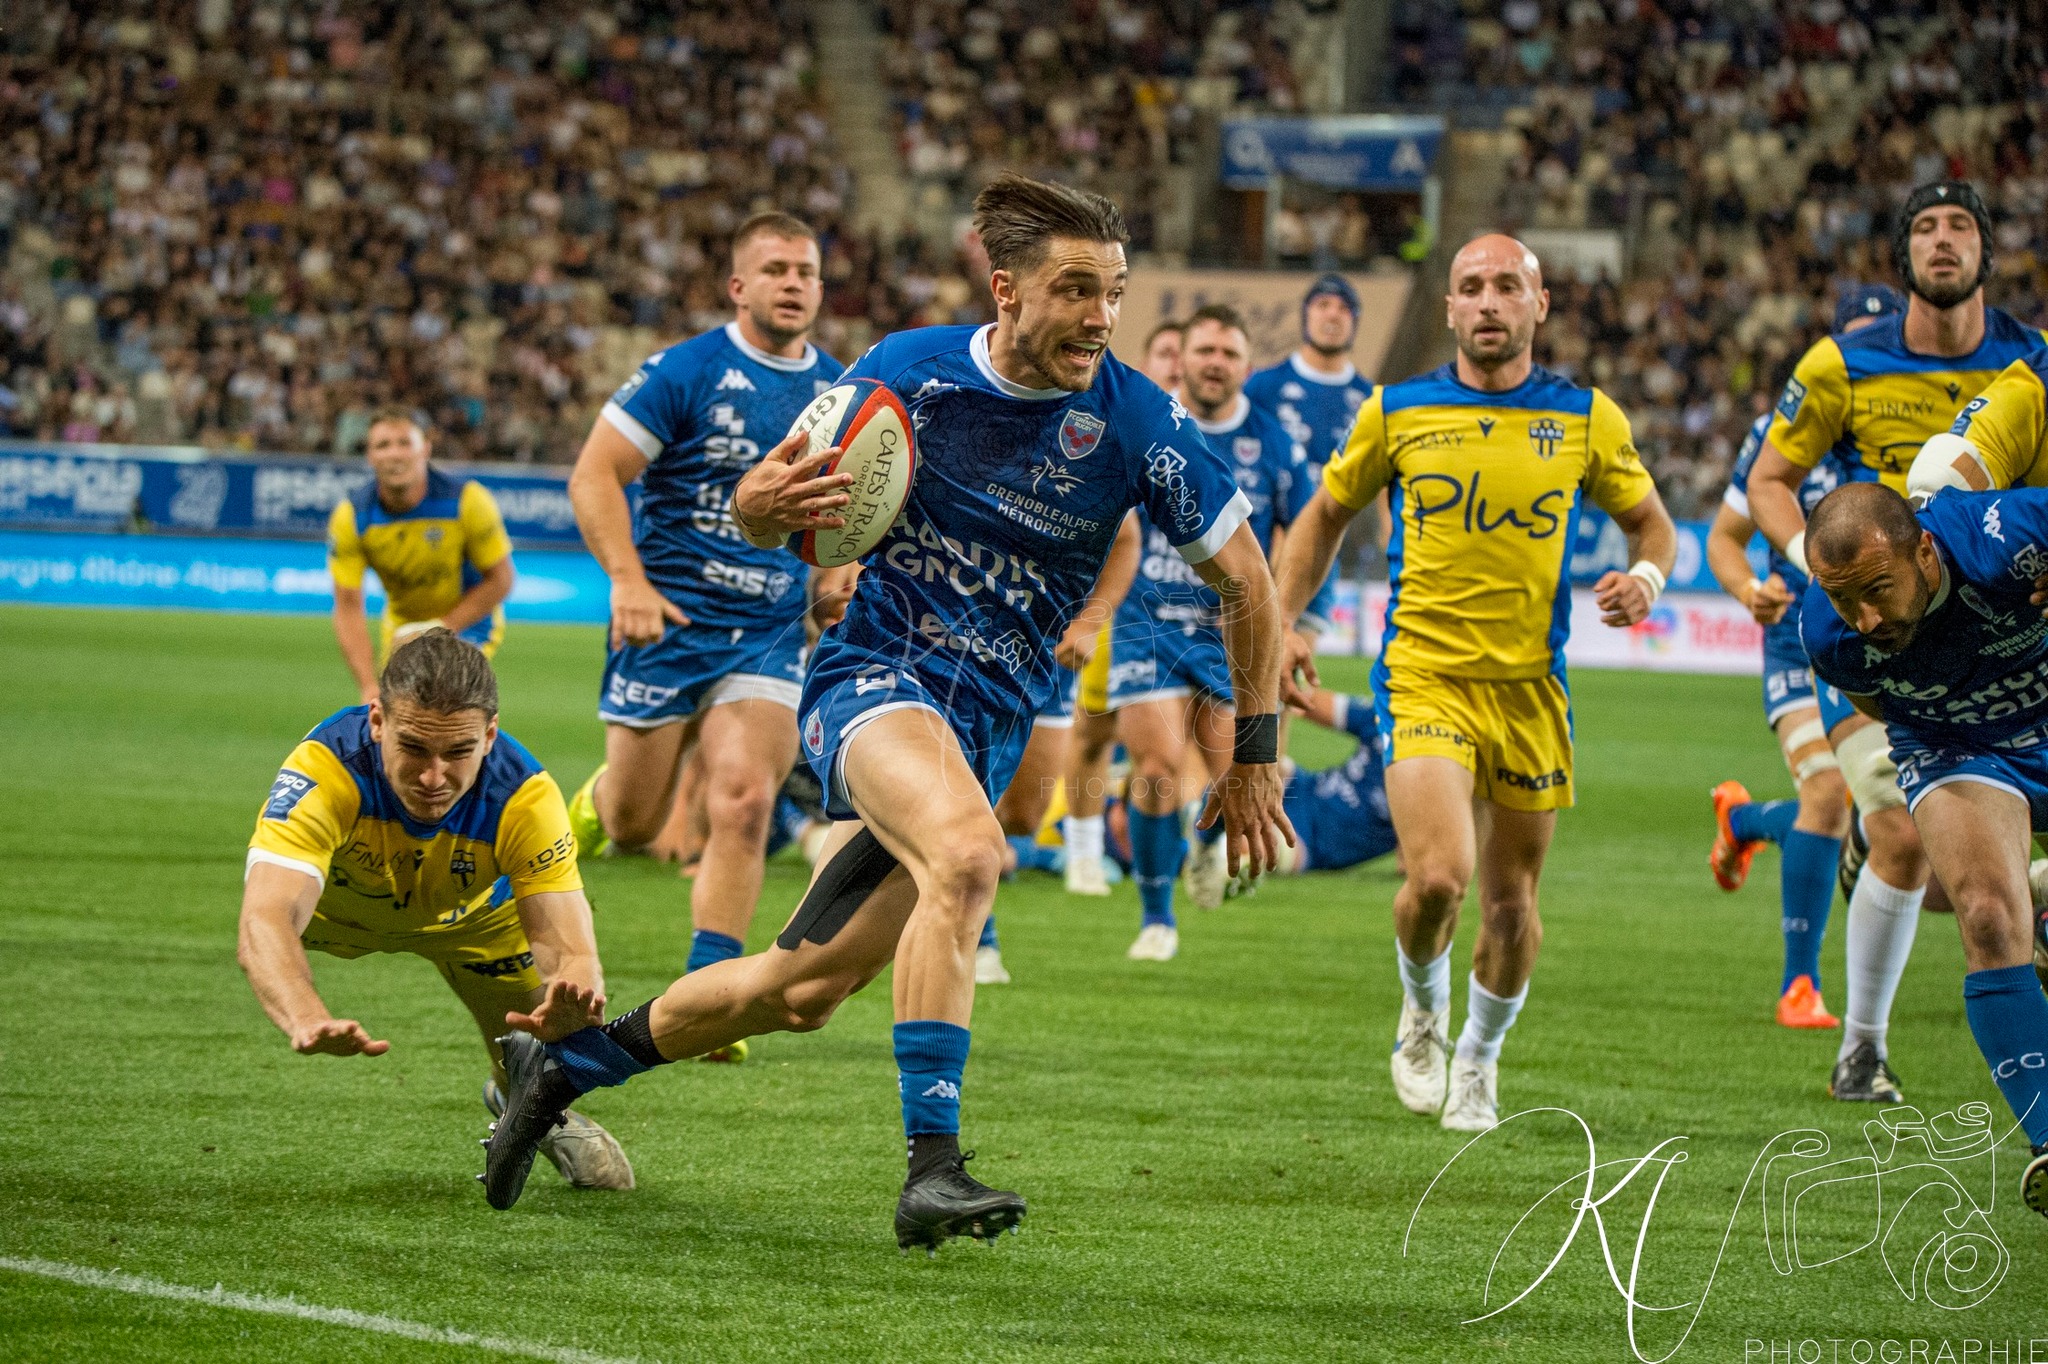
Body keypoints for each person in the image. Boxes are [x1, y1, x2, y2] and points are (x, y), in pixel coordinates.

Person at [479, 174, 1293, 1251]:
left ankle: (562, 1067)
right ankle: (932, 1168)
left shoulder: (1137, 419)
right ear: (1005, 290)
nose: (1101, 315)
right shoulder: (905, 374)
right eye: (1075, 289)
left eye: (1115, 291)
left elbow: (1251, 583)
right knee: (967, 856)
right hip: (874, 684)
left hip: (986, 726)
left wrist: (1252, 750)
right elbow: (769, 506)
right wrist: (760, 508)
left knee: (800, 987)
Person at [1272, 233, 1677, 1133]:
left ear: (1538, 306)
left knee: (1510, 904)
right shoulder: (1397, 411)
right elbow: (1323, 517)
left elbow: (1653, 526)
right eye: (1470, 288)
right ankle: (1422, 1009)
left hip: (1532, 690)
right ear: (1450, 310)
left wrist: (1645, 582)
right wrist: (1291, 621)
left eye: (1506, 286)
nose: (1488, 301)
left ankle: (1479, 1062)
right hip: (1423, 677)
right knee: (1442, 880)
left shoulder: (1585, 419)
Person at [1745, 181, 2048, 1104]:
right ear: (1903, 253)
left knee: (1962, 874)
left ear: (1988, 253)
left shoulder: (2028, 363)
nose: (1943, 242)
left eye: (1961, 227)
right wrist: (1825, 582)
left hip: (2001, 611)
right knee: (1894, 829)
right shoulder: (1841, 363)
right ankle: (1862, 1048)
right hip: (1883, 623)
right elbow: (1768, 479)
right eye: (1925, 227)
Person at [564, 212, 849, 1063]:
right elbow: (595, 475)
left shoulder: (841, 394)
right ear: (740, 287)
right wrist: (628, 581)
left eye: (806, 269)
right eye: (775, 269)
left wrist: (840, 574)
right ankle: (589, 808)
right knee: (636, 820)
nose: (793, 282)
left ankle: (708, 994)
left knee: (745, 800)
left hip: (764, 631)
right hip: (668, 621)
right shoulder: (685, 370)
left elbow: (863, 512)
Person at [236, 629, 632, 1193]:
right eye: (414, 748)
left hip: (476, 922)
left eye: (459, 752)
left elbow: (570, 947)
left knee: (529, 1057)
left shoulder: (525, 795)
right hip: (339, 918)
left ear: (490, 735)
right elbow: (264, 919)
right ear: (377, 722)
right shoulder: (326, 769)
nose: (433, 777)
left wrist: (576, 998)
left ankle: (530, 1101)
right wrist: (303, 1013)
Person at [1800, 482, 2048, 1217]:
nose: (1866, 619)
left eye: (1878, 589)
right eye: (1847, 601)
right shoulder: (1831, 636)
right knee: (1987, 915)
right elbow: (1882, 706)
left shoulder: (2007, 537)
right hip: (1957, 741)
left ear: (1926, 552)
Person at [1702, 286, 1897, 1029]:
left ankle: (1745, 822)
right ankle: (1800, 986)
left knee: (1889, 814)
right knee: (1828, 796)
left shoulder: (1909, 439)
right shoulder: (1776, 437)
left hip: (1886, 641)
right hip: (1799, 640)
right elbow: (1723, 537)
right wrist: (1749, 586)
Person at [1107, 304, 1310, 959]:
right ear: (1181, 358)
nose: (1215, 363)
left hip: (1231, 636)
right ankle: (1155, 917)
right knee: (1158, 766)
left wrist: (1292, 619)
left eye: (1228, 353)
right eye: (1204, 351)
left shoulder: (1274, 444)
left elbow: (1306, 536)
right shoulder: (1147, 426)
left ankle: (1204, 846)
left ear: (1246, 366)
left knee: (1245, 782)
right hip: (1147, 621)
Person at [1062, 319, 1183, 897]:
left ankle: (1186, 851)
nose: (1178, 366)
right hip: (1124, 608)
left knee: (1171, 752)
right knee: (1092, 731)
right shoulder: (1125, 422)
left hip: (1185, 619)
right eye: (1166, 354)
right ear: (1149, 364)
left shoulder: (1208, 435)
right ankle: (1083, 852)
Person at [327, 411, 516, 704]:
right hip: (401, 626)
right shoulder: (352, 518)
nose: (394, 454)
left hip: (468, 623)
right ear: (369, 456)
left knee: (446, 702)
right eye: (383, 445)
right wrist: (367, 685)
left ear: (426, 448)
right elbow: (348, 606)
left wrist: (438, 628)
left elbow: (501, 580)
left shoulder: (467, 502)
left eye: (405, 443)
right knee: (395, 717)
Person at [1244, 273, 1373, 647]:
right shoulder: (1263, 387)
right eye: (1322, 305)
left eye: (1344, 308)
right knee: (1233, 676)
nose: (1333, 315)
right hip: (1259, 543)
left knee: (1287, 671)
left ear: (1355, 322)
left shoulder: (1369, 399)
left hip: (1322, 549)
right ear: (1306, 316)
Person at [1271, 687, 1398, 875]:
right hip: (1300, 788)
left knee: (1258, 847)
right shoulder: (1388, 717)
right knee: (1245, 770)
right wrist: (1283, 687)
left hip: (1312, 844)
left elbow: (1416, 862)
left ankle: (1215, 845)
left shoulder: (1432, 776)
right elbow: (1305, 702)